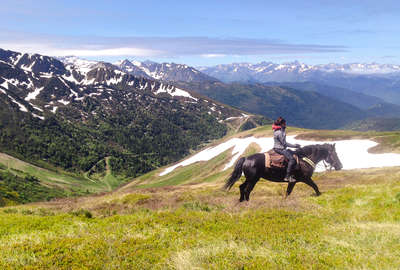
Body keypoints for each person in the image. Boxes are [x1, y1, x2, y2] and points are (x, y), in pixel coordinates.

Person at [272, 117, 301, 182]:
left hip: (277, 148)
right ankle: (287, 176)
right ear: (281, 124)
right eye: (285, 124)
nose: (285, 125)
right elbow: (284, 143)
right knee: (292, 159)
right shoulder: (279, 132)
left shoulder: (278, 131)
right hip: (280, 149)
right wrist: (295, 146)